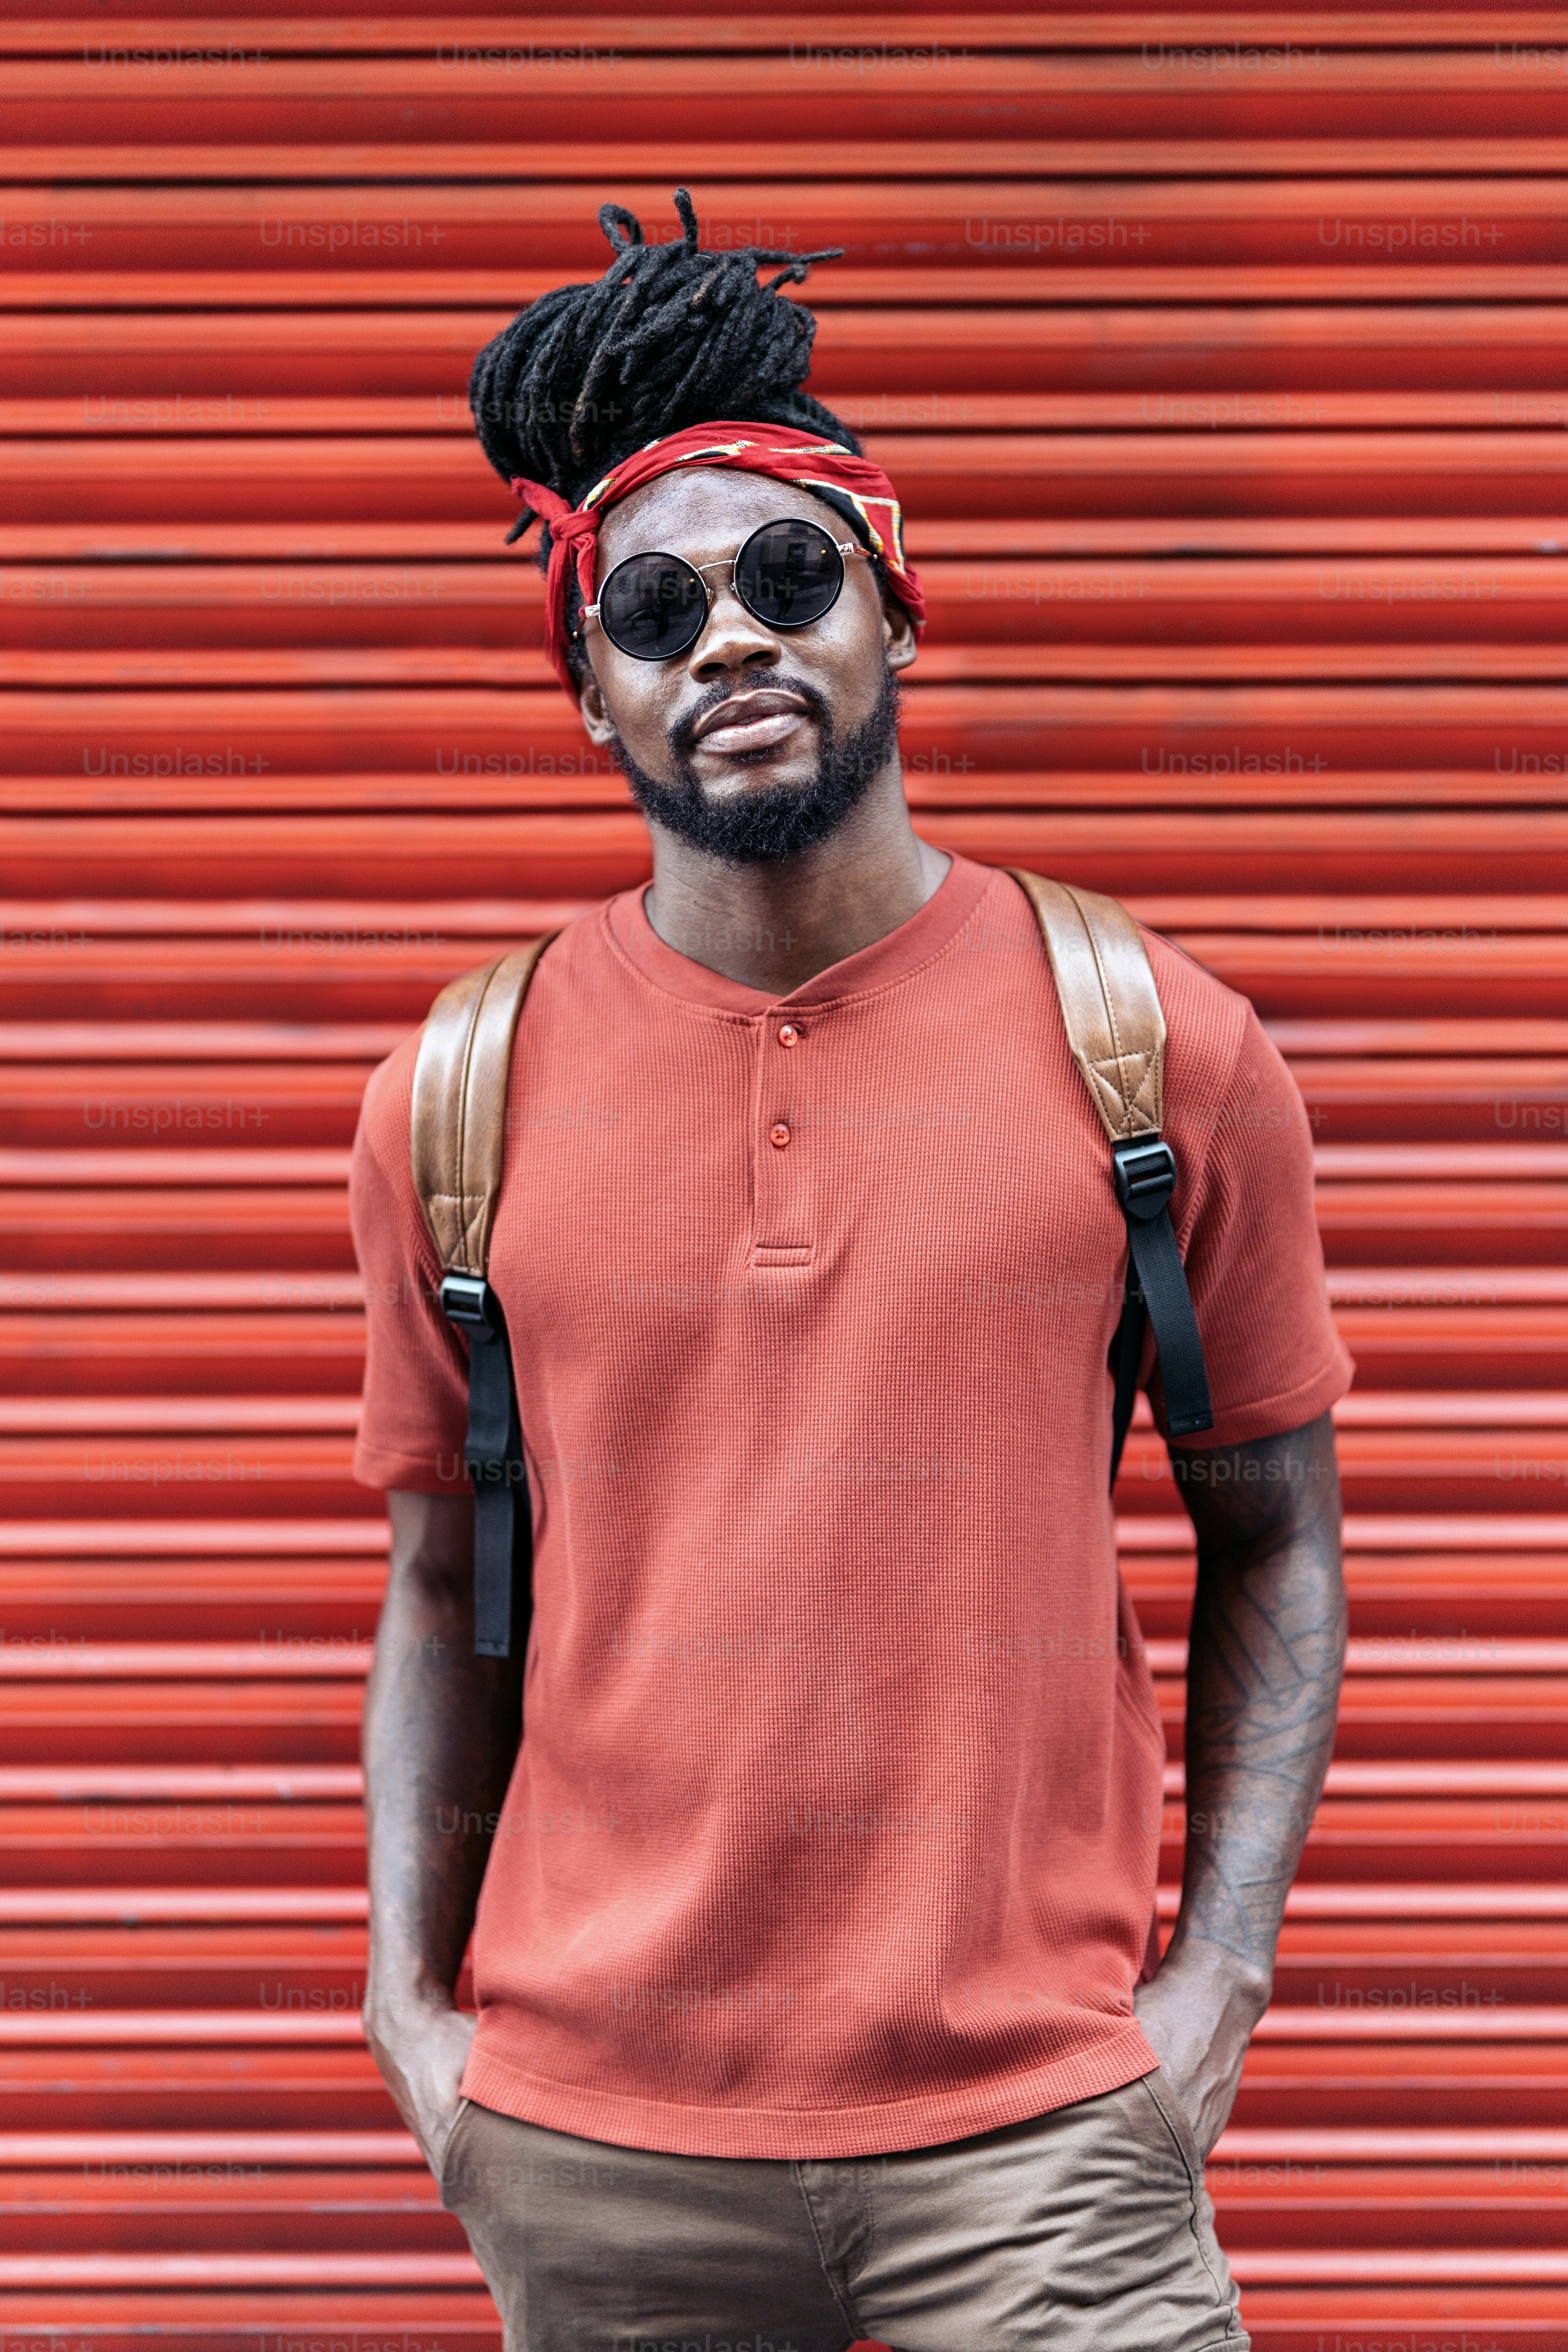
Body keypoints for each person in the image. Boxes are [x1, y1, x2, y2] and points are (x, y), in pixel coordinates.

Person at [350, 192, 1350, 2352]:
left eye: (790, 576)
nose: (728, 640)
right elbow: (438, 1584)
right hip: (598, 2154)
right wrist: (413, 2026)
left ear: (893, 608)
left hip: (1046, 2150)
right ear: (594, 685)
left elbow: (1279, 1538)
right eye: (654, 605)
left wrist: (1215, 1995)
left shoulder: (1151, 1041)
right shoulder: (461, 1088)